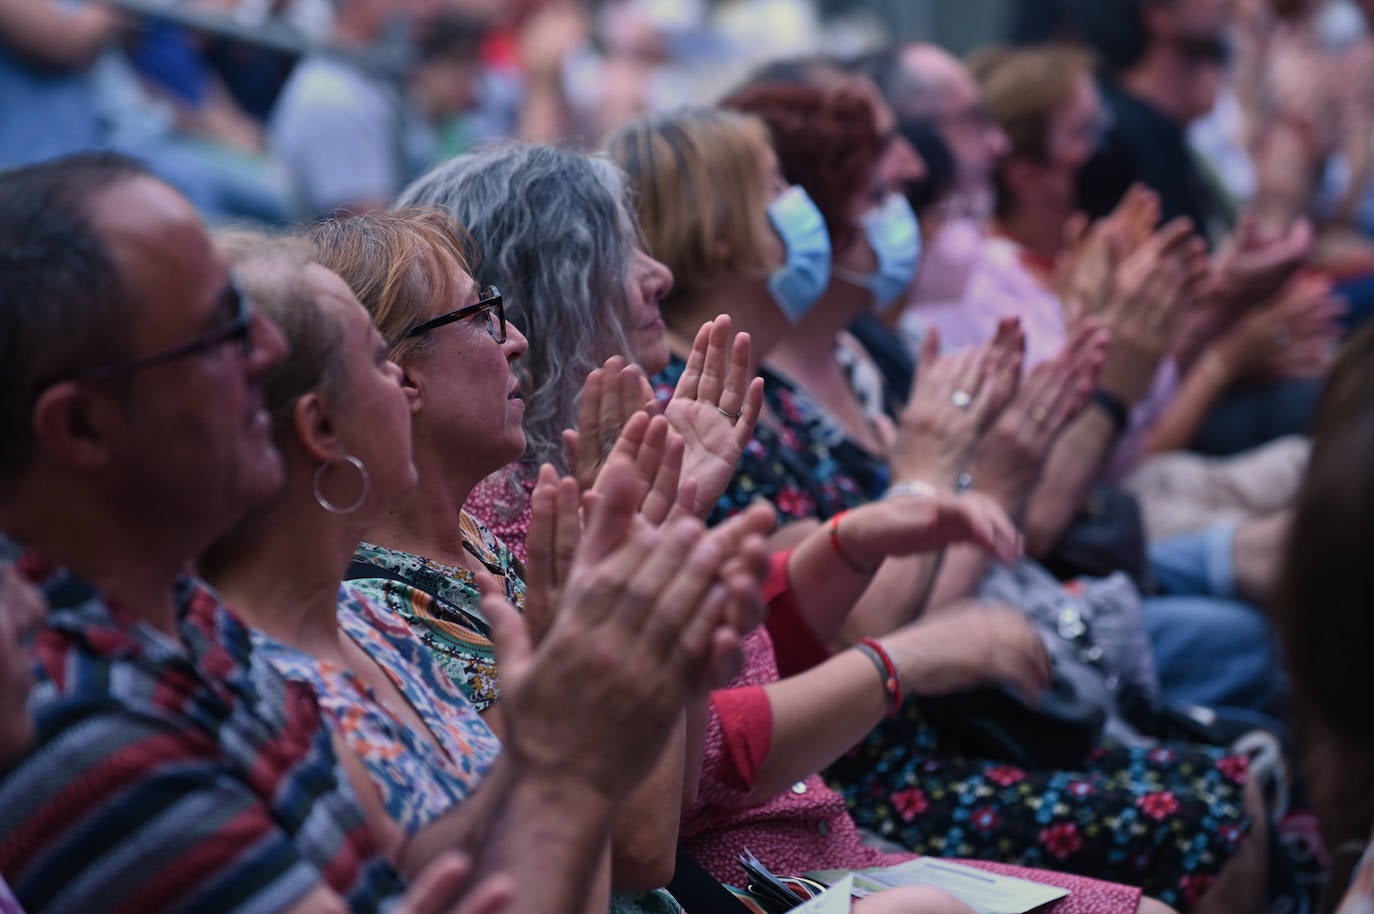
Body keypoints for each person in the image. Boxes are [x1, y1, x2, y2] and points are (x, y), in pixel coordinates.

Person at [0, 151, 742, 914]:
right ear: (82, 428)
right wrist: (568, 755)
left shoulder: (211, 626)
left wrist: (586, 691)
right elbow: (626, 847)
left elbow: (461, 860)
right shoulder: (70, 715)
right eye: (214, 336)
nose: (266, 358)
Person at [199, 227, 774, 914]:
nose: (515, 340)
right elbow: (637, 846)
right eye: (478, 316)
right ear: (325, 423)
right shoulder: (364, 605)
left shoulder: (376, 614)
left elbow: (650, 808)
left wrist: (661, 536)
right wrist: (641, 575)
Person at [399, 142, 762, 559]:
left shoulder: (646, 432)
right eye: (616, 255)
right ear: (541, 295)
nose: (660, 275)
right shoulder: (504, 513)